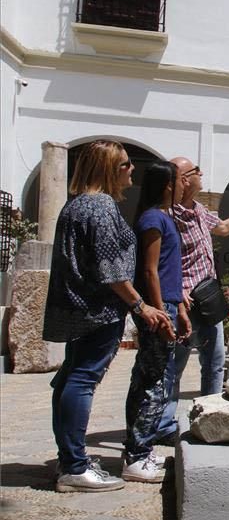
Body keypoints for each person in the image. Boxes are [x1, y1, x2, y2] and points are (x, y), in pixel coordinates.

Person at [45, 141, 171, 493]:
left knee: (71, 377)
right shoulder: (100, 207)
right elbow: (111, 269)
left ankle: (69, 458)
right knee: (81, 379)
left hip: (78, 305)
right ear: (110, 168)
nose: (133, 169)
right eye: (126, 164)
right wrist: (140, 306)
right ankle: (73, 466)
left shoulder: (77, 205)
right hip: (97, 310)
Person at [154, 157, 229, 443]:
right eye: (195, 171)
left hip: (208, 297)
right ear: (182, 179)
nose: (201, 174)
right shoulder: (169, 215)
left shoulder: (198, 210)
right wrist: (175, 291)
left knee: (215, 362)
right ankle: (164, 424)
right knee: (175, 365)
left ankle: (209, 417)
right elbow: (158, 258)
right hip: (185, 300)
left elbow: (224, 229)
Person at [123, 161, 191, 482]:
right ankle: (137, 454)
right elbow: (150, 271)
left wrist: (179, 309)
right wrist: (161, 311)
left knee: (157, 379)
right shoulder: (153, 218)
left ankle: (142, 449)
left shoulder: (164, 218)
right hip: (158, 310)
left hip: (170, 307)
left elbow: (166, 270)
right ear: (167, 185)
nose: (184, 186)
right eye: (180, 181)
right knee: (152, 382)